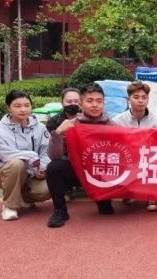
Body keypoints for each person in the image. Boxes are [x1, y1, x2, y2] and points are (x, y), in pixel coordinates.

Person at [46, 83, 115, 227]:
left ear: (104, 103)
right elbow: (54, 156)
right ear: (81, 104)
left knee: (107, 211)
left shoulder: (113, 125)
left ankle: (103, 199)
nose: (95, 105)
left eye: (99, 101)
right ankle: (60, 210)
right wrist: (57, 133)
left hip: (102, 172)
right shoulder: (70, 125)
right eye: (90, 101)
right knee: (54, 167)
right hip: (77, 171)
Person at [0, 90, 51, 221]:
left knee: (49, 188)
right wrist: (31, 156)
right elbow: (5, 154)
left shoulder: (40, 128)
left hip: (32, 174)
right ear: (8, 108)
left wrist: (41, 168)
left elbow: (46, 152)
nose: (23, 109)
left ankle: (23, 198)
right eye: (17, 106)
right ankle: (10, 206)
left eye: (27, 105)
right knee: (17, 163)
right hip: (4, 172)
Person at [113, 81, 157, 211]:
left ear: (148, 99)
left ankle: (152, 195)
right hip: (127, 155)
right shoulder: (117, 121)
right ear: (128, 99)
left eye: (144, 97)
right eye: (136, 97)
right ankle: (128, 192)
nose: (140, 101)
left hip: (148, 155)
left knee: (156, 160)